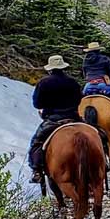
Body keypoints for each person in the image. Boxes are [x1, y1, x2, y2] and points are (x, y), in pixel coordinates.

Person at [28, 54, 83, 183]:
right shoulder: (72, 82)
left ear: (50, 68)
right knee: (98, 133)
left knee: (36, 143)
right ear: (63, 67)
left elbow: (37, 104)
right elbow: (79, 99)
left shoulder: (44, 82)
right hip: (73, 117)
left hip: (53, 119)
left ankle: (37, 171)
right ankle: (105, 161)